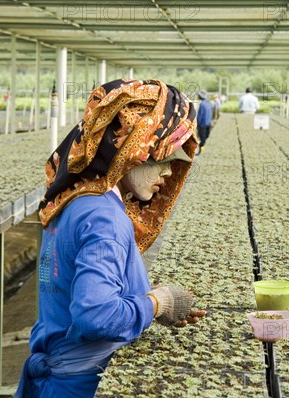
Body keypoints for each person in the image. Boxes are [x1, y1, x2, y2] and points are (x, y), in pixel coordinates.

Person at [15, 79, 206, 398]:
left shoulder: (75, 197)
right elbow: (96, 317)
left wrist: (145, 303)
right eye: (162, 158)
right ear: (133, 148)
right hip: (78, 385)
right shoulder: (104, 218)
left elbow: (85, 289)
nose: (169, 173)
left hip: (54, 376)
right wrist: (158, 303)